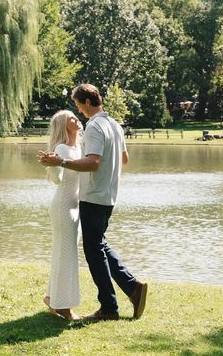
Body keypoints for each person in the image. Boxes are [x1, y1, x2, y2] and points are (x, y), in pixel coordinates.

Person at [38, 83, 147, 322]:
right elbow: (124, 158)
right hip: (108, 195)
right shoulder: (115, 125)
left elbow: (93, 163)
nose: (79, 110)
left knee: (93, 250)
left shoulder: (95, 126)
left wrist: (62, 163)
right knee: (98, 245)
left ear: (87, 102)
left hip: (93, 196)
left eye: (78, 104)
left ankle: (109, 307)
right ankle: (132, 288)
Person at [41, 110, 83, 321]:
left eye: (75, 117)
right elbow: (57, 180)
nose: (77, 120)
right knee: (66, 255)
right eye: (71, 119)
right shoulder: (61, 148)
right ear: (64, 126)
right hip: (62, 207)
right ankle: (64, 307)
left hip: (76, 205)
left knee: (65, 253)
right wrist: (52, 166)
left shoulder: (79, 147)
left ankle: (51, 297)